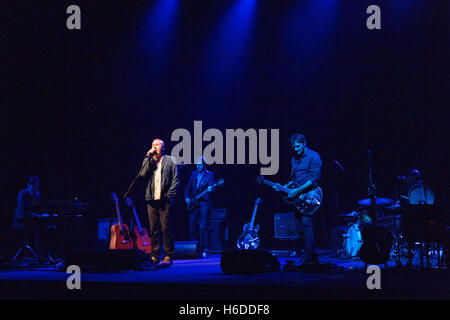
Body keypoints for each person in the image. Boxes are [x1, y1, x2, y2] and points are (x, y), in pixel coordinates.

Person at [273, 133, 322, 264]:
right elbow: (293, 180)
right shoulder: (294, 158)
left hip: (310, 196)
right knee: (300, 227)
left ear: (304, 143)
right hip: (298, 198)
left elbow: (315, 179)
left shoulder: (314, 156)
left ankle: (308, 256)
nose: (296, 149)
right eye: (294, 147)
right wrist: (283, 187)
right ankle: (312, 255)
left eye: (298, 146)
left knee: (307, 224)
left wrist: (297, 190)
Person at [139, 139, 179, 265]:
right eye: (153, 145)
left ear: (163, 147)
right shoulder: (149, 160)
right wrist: (147, 156)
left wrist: (169, 195)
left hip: (165, 200)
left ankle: (168, 255)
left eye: (157, 144)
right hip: (151, 199)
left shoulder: (170, 160)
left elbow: (176, 180)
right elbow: (142, 174)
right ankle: (155, 255)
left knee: (165, 228)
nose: (155, 146)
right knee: (153, 229)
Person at [184, 157, 216, 257]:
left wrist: (211, 188)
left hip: (204, 203)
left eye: (200, 164)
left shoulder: (210, 175)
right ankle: (193, 248)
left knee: (204, 226)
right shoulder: (193, 174)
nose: (198, 166)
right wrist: (186, 197)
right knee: (191, 226)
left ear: (204, 165)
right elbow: (188, 188)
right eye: (197, 164)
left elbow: (212, 187)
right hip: (194, 202)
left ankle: (206, 248)